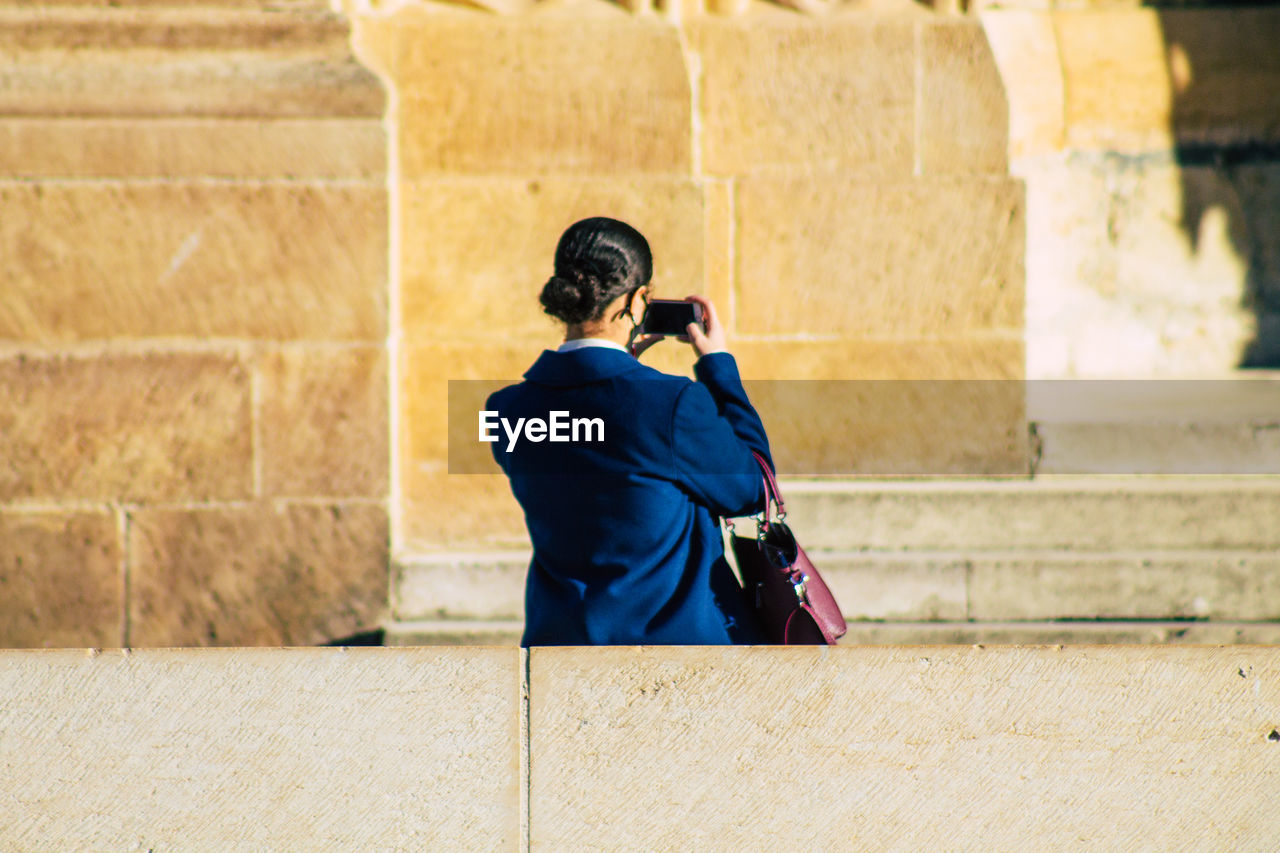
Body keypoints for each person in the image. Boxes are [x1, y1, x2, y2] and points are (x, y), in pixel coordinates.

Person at [485, 216, 773, 646]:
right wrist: (719, 367)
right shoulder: (670, 405)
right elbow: (752, 489)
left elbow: (596, 448)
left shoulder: (506, 410)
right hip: (678, 653)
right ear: (639, 300)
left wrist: (623, 368)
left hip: (559, 648)